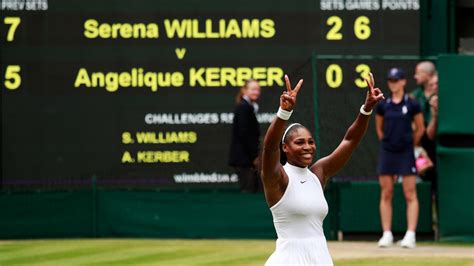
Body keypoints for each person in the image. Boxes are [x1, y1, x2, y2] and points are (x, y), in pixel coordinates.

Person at [262, 74, 384, 265]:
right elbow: (269, 148)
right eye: (299, 142)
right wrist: (284, 113)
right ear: (285, 147)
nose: (307, 147)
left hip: (320, 258)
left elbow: (350, 141)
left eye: (311, 142)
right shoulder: (278, 177)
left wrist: (366, 109)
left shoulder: (318, 173)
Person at [375, 68, 425, 249]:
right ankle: (386, 234)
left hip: (406, 153)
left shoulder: (412, 104)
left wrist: (410, 144)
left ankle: (410, 235)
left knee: (410, 193)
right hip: (388, 152)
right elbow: (379, 128)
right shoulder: (383, 105)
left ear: (403, 82)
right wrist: (388, 143)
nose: (393, 83)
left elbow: (420, 128)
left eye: (396, 80)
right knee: (386, 193)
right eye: (390, 80)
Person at [229, 79, 262, 193]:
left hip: (246, 159)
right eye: (253, 89)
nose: (256, 92)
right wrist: (254, 157)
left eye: (258, 89)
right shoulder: (244, 107)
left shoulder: (247, 106)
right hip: (244, 160)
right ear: (244, 90)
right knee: (249, 193)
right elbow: (245, 135)